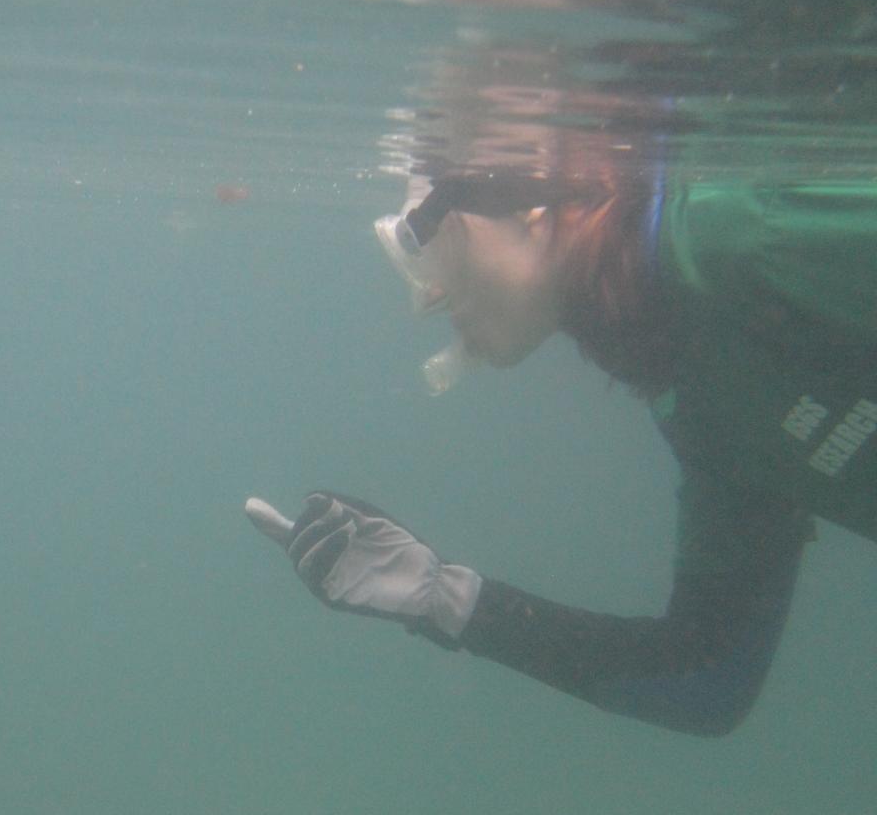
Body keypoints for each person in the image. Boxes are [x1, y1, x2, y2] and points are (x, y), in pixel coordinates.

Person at [247, 171, 877, 737]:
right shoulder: (688, 385)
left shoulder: (735, 240)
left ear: (528, 206)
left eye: (429, 240)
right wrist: (446, 600)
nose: (426, 299)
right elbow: (708, 674)